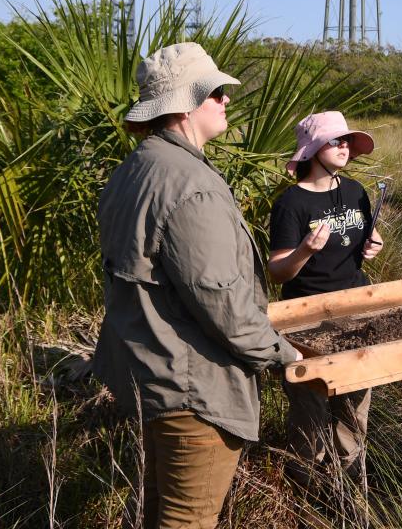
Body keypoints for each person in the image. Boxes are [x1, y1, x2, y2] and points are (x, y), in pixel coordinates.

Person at [93, 42, 301, 529]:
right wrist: (280, 353)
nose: (226, 100)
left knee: (155, 513)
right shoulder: (190, 184)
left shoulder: (135, 168)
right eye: (215, 92)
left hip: (148, 373)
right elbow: (220, 298)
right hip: (192, 388)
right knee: (187, 520)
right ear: (186, 105)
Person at [267, 111, 383, 496]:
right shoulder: (290, 204)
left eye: (348, 140)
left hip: (356, 310)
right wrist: (303, 250)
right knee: (310, 416)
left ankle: (348, 496)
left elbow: (367, 234)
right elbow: (279, 271)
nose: (345, 147)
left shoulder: (355, 192)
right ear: (314, 150)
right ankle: (308, 495)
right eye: (337, 141)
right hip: (306, 321)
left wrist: (373, 244)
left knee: (353, 414)